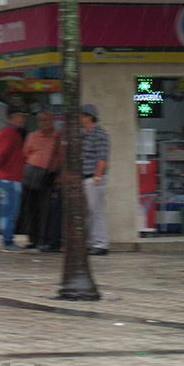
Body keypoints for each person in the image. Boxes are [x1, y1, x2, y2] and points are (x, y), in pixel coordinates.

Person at [22, 111, 61, 251]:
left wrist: (57, 176)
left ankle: (44, 239)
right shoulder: (32, 136)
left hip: (47, 174)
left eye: (48, 120)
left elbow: (60, 157)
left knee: (45, 209)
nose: (45, 123)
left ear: (52, 121)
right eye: (42, 120)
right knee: (30, 209)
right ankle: (33, 239)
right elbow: (25, 153)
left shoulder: (57, 137)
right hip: (31, 173)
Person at [0, 107, 27, 252]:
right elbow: (2, 154)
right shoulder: (10, 133)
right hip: (9, 179)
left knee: (8, 210)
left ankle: (8, 239)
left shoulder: (9, 133)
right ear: (12, 117)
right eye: (21, 115)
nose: (23, 119)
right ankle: (7, 242)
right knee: (9, 211)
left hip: (9, 178)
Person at [81, 104, 110, 255]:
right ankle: (92, 242)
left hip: (93, 178)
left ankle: (101, 243)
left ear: (89, 117)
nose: (80, 118)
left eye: (82, 115)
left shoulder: (99, 134)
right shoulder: (84, 134)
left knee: (96, 211)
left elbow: (102, 158)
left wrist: (97, 177)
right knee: (89, 212)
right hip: (85, 178)